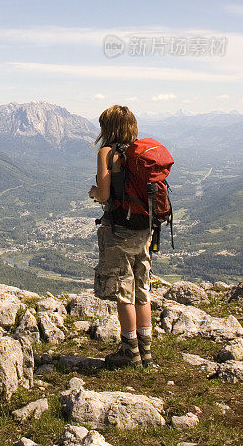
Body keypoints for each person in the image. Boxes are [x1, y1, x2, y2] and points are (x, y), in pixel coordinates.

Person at [88, 104, 153, 368]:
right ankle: (146, 352)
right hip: (144, 228)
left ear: (109, 128)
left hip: (119, 231)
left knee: (124, 291)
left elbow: (104, 195)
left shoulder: (107, 152)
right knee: (142, 289)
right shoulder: (139, 152)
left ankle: (130, 352)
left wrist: (93, 192)